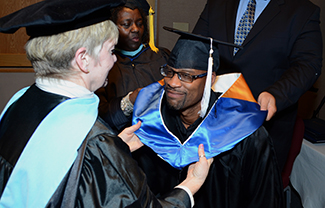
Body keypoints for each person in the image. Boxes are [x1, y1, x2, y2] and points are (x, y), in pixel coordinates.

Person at [0, 1, 213, 207]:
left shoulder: (19, 101)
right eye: (111, 51)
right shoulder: (96, 141)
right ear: (83, 59)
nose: (114, 61)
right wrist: (190, 184)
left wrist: (116, 148)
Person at [131, 29, 284, 207]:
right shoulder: (151, 123)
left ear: (210, 78)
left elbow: (264, 200)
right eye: (169, 72)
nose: (173, 82)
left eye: (186, 75)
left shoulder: (246, 133)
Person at [192, 0, 323, 172]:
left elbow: (307, 65)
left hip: (264, 129)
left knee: (255, 195)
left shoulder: (302, 10)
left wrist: (276, 94)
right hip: (212, 123)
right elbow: (196, 48)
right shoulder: (218, 3)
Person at [96, 0, 170, 132]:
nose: (135, 29)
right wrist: (129, 102)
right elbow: (100, 115)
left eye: (140, 24)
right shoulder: (103, 65)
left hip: (161, 138)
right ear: (112, 27)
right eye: (126, 24)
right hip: (123, 142)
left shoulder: (161, 57)